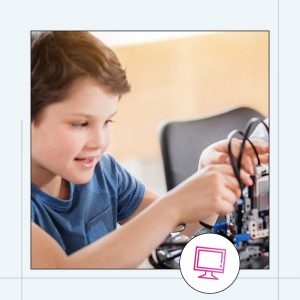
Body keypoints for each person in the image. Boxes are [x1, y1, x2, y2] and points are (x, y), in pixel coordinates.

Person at [31, 31, 269, 268]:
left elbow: (181, 227)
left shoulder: (104, 170)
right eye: (81, 124)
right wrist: (173, 206)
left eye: (107, 122)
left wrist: (206, 176)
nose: (100, 142)